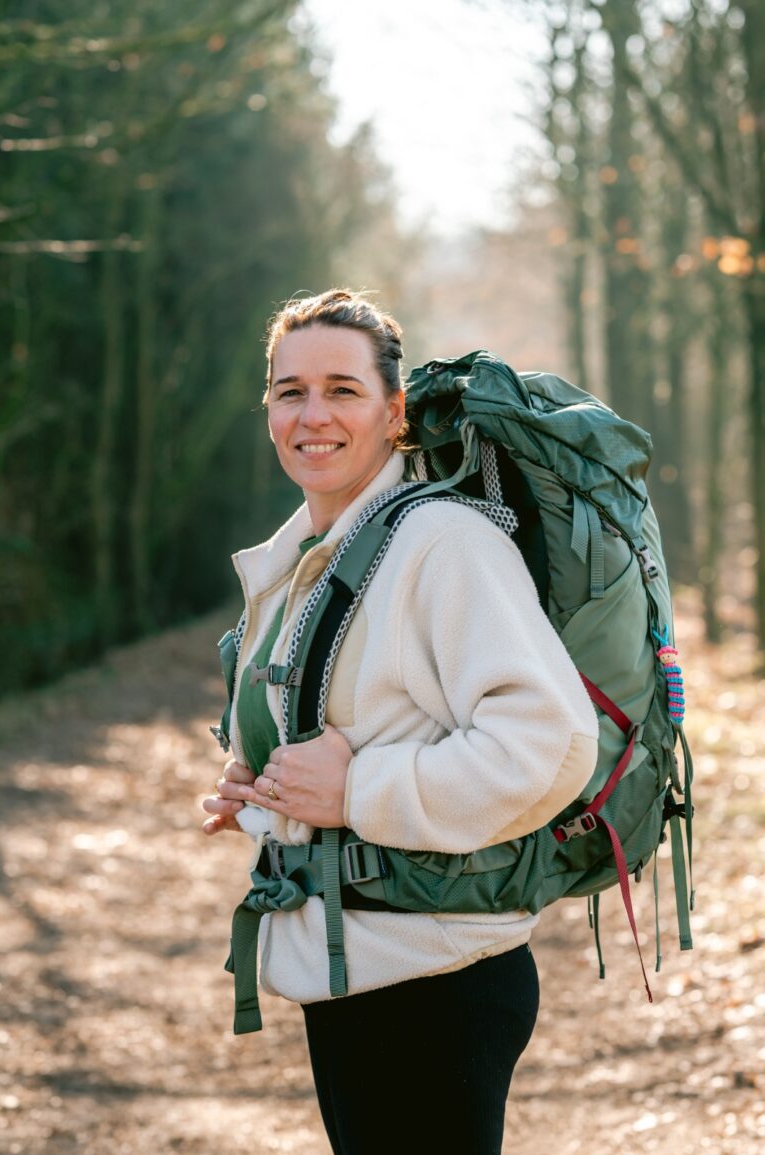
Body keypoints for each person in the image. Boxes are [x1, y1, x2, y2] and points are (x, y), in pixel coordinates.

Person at [202, 288, 599, 1155]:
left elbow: (554, 741)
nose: (313, 415)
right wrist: (267, 788)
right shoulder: (311, 553)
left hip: (436, 980)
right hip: (354, 969)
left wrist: (358, 789)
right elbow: (362, 721)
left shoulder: (442, 542)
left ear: (395, 412)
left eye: (342, 389)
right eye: (289, 390)